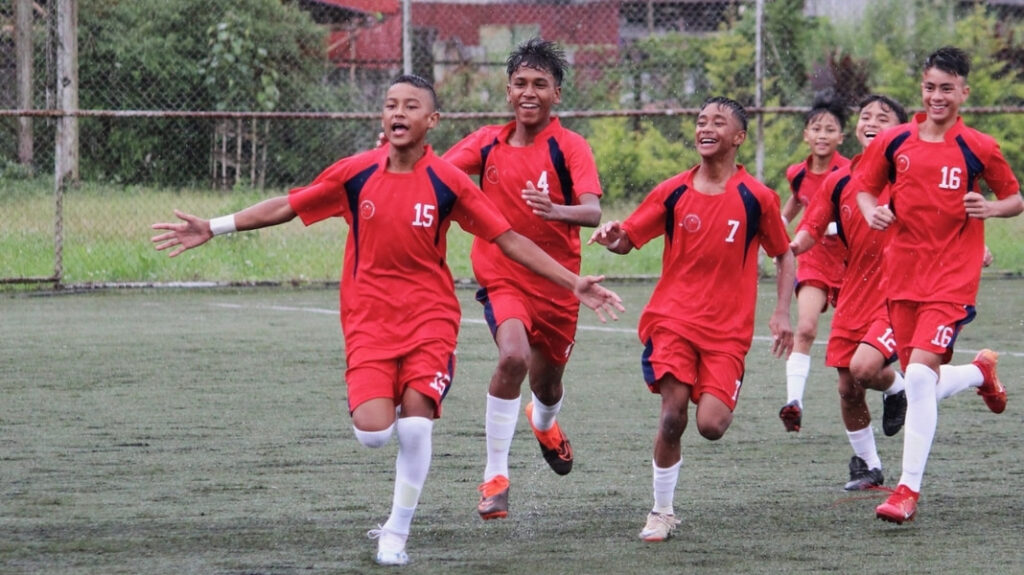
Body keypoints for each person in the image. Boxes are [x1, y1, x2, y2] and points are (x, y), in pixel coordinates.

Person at [150, 74, 624, 565]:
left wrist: (573, 282)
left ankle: (396, 533)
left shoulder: (448, 182)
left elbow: (509, 239)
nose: (398, 113)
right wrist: (213, 226)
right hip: (369, 322)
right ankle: (397, 404)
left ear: (431, 121)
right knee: (374, 434)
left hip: (430, 320)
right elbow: (287, 207)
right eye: (391, 104)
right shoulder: (355, 173)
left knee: (416, 429)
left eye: (411, 105)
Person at [589, 97, 795, 542]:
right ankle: (660, 511)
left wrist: (782, 312)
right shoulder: (673, 191)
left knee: (712, 426)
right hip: (672, 321)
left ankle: (716, 393)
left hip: (727, 333)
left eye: (718, 122)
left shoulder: (758, 198)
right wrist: (611, 237)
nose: (706, 128)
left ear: (739, 137)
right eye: (701, 121)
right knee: (672, 416)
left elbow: (784, 255)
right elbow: (629, 240)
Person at [855, 46, 1022, 524]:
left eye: (947, 88)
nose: (937, 96)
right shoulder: (894, 142)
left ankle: (906, 490)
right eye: (930, 87)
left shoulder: (978, 146)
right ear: (922, 89)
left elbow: (1014, 198)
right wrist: (873, 211)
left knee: (921, 378)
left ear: (964, 92)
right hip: (902, 276)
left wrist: (990, 208)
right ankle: (978, 375)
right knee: (917, 377)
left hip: (952, 280)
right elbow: (866, 188)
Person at [441, 38, 602, 520]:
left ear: (557, 94)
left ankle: (545, 422)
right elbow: (436, 174)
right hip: (501, 273)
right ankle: (495, 478)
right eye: (520, 83)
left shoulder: (570, 147)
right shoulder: (487, 141)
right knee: (512, 356)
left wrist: (557, 210)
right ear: (508, 92)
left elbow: (592, 212)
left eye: (540, 84)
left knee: (547, 386)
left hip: (557, 284)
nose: (528, 92)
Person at [790, 94, 910, 490]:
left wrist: (976, 246)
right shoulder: (839, 181)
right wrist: (787, 246)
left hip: (898, 291)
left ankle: (899, 387)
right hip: (854, 291)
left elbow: (945, 216)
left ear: (901, 128)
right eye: (865, 116)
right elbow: (809, 228)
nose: (871, 121)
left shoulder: (911, 175)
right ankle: (869, 465)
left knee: (863, 368)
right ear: (857, 128)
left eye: (883, 116)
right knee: (847, 386)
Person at [779, 99, 851, 432]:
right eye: (816, 128)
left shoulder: (852, 171)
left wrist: (836, 225)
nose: (822, 135)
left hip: (852, 264)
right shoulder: (798, 172)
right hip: (812, 259)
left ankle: (893, 390)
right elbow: (797, 200)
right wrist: (776, 225)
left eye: (830, 129)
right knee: (805, 328)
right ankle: (794, 403)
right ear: (806, 134)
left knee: (858, 348)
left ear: (841, 136)